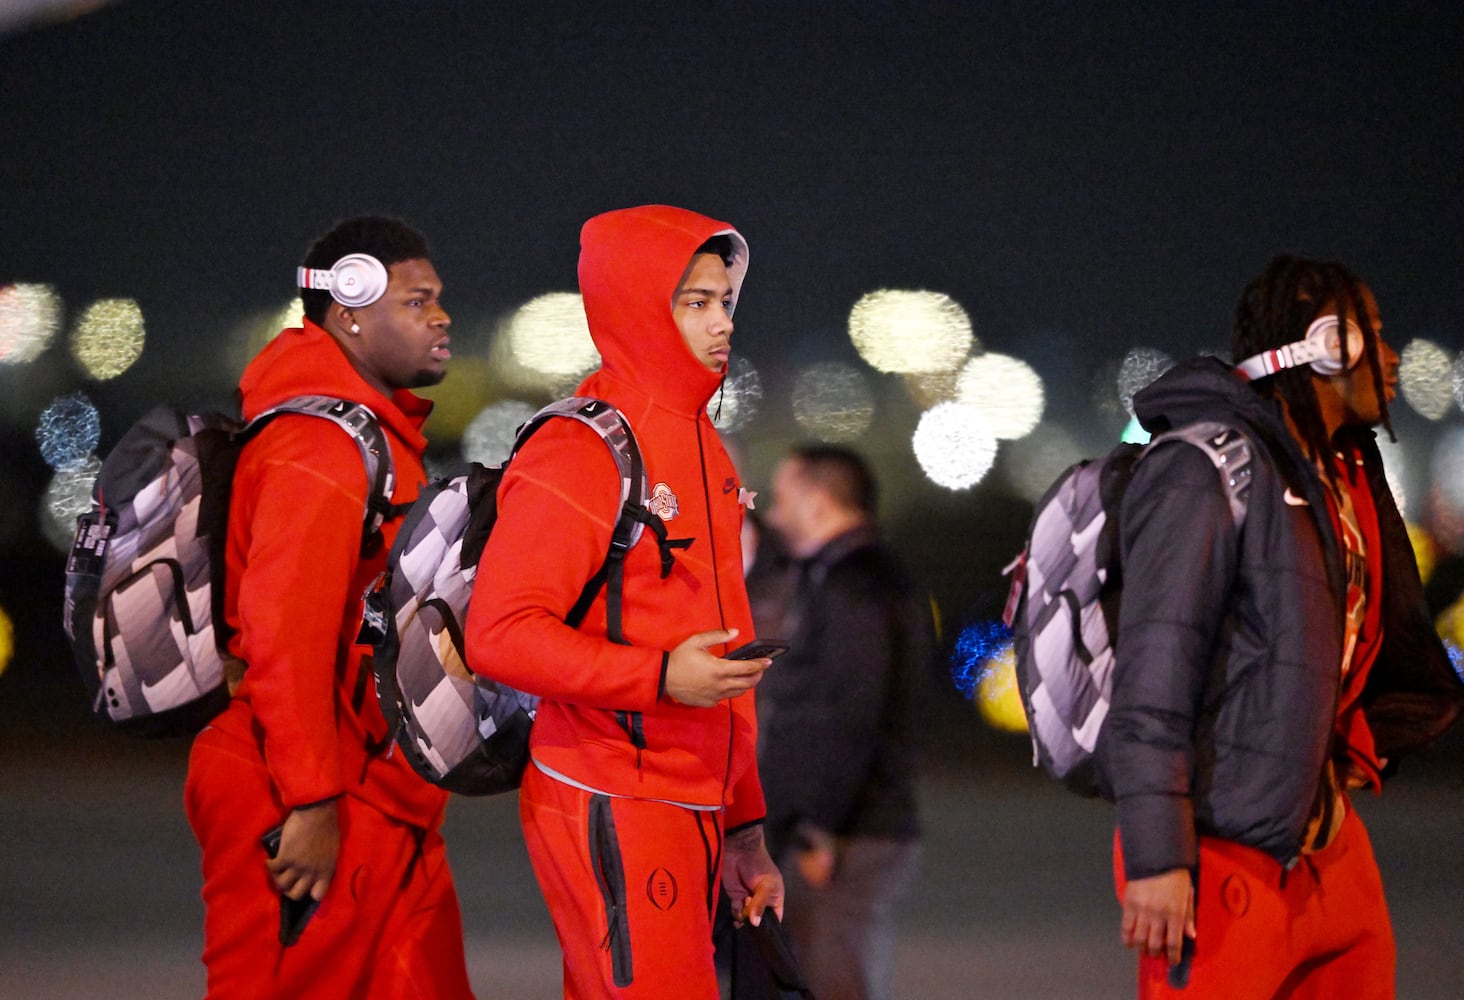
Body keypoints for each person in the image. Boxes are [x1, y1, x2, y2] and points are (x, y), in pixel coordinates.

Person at [1097, 254, 1464, 998]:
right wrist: (1159, 858)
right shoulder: (1205, 467)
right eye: (1376, 334)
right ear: (1331, 345)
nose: (1391, 358)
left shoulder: (1336, 474)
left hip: (1328, 846)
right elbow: (1153, 673)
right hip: (1221, 853)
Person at [464, 204, 784, 998]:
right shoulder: (581, 446)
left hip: (691, 801)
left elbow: (727, 641)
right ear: (636, 302)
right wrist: (658, 679)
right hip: (611, 789)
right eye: (695, 301)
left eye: (726, 301)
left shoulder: (703, 442)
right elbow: (499, 635)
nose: (721, 323)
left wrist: (744, 823)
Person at [184, 217, 474, 998]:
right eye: (417, 302)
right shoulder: (319, 447)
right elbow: (284, 633)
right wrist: (311, 801)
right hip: (309, 790)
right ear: (348, 309)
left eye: (438, 299)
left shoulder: (367, 434)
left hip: (382, 792)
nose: (441, 315)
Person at [755, 444, 929, 1000]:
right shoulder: (845, 576)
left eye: (784, 498)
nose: (776, 515)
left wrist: (820, 828)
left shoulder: (857, 585)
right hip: (835, 826)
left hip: (847, 833)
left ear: (818, 500)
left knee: (833, 981)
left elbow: (852, 714)